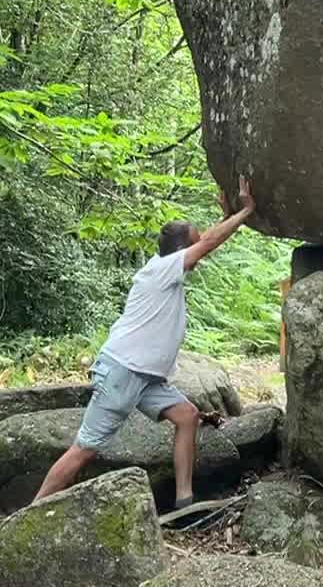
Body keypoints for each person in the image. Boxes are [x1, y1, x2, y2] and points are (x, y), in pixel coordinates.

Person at [31, 177, 257, 517]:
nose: (200, 254)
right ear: (182, 251)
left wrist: (227, 217)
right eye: (194, 247)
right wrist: (246, 212)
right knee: (86, 448)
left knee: (187, 416)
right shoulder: (162, 271)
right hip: (124, 370)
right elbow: (207, 243)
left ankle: (184, 502)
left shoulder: (167, 270)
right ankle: (30, 512)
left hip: (146, 377)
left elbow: (205, 243)